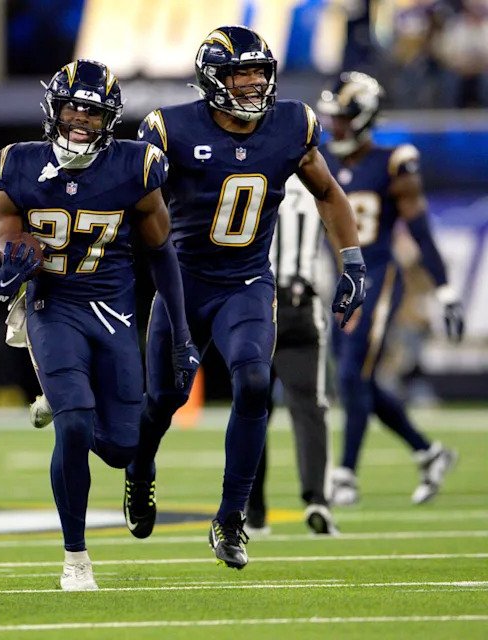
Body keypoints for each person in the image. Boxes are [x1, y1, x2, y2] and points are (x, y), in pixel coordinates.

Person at [129, 26, 365, 570]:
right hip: (183, 281)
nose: (256, 82)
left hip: (247, 282)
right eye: (242, 73)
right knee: (163, 399)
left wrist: (351, 261)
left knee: (255, 381)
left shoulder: (290, 125)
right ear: (213, 78)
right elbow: (136, 205)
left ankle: (231, 518)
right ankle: (140, 471)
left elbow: (328, 192)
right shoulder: (170, 128)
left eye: (260, 71)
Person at [0, 59, 197, 590]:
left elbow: (162, 253)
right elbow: (1, 238)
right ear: (54, 109)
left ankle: (83, 415)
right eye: (74, 107)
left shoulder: (136, 167)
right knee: (75, 423)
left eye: (94, 111)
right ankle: (75, 558)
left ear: (111, 119)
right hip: (52, 306)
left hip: (113, 310)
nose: (82, 118)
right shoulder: (17, 165)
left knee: (122, 446)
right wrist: (2, 272)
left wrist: (181, 330)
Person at [317, 71, 463, 506]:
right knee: (354, 381)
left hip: (379, 275)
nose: (334, 125)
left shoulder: (394, 161)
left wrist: (446, 290)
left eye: (342, 118)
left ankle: (344, 474)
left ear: (363, 118)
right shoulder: (319, 157)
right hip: (343, 280)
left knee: (350, 373)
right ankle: (428, 451)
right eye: (333, 117)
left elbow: (419, 229)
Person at [245, 175, 337, 537]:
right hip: (302, 302)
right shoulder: (321, 181)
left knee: (251, 408)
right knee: (309, 407)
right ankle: (317, 500)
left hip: (256, 303)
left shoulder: (254, 172)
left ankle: (253, 511)